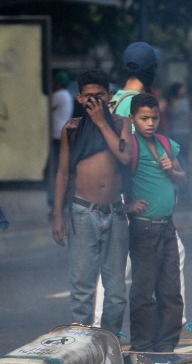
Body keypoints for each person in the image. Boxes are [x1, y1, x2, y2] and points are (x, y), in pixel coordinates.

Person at [95, 41, 192, 346]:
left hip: (126, 197)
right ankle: (120, 327)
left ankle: (103, 327)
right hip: (138, 202)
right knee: (125, 266)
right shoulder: (133, 103)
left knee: (118, 262)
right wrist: (127, 201)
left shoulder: (117, 98)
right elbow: (125, 157)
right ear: (150, 69)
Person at [51, 69, 133, 337]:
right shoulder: (71, 128)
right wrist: (58, 215)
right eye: (89, 97)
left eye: (100, 96)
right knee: (83, 287)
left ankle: (108, 344)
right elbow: (63, 172)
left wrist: (101, 123)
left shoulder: (121, 123)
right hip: (82, 212)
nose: (94, 102)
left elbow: (124, 157)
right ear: (79, 97)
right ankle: (81, 345)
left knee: (117, 291)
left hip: (115, 213)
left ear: (109, 96)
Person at [125, 92, 186, 357]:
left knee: (171, 289)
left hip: (167, 225)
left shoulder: (166, 144)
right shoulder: (130, 144)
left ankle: (165, 347)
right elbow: (118, 176)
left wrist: (171, 169)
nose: (150, 123)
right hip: (144, 227)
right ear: (133, 119)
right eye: (144, 118)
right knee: (143, 290)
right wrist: (126, 205)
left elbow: (182, 177)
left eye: (155, 117)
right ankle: (143, 345)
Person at [47, 70, 74, 214]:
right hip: (63, 137)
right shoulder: (66, 95)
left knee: (54, 171)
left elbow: (44, 106)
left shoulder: (58, 95)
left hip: (57, 138)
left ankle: (56, 205)